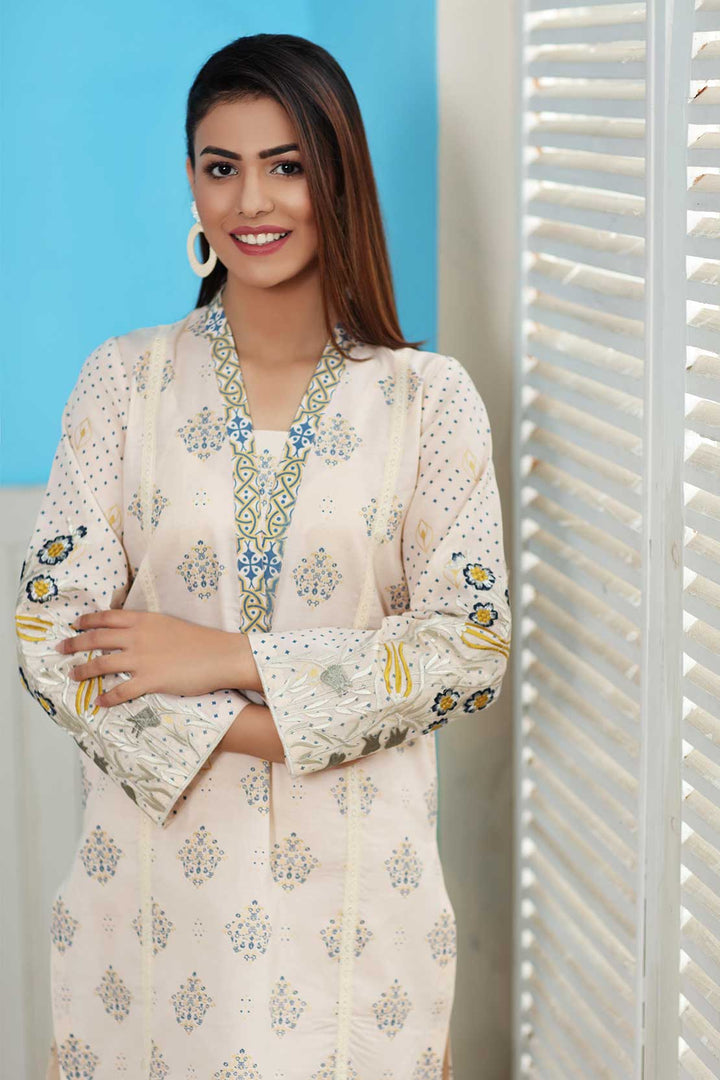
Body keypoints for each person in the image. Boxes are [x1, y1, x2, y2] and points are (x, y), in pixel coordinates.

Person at [16, 32, 511, 1080]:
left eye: (287, 165)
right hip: (151, 914)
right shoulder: (124, 383)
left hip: (358, 911)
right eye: (221, 166)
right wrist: (292, 726)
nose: (253, 201)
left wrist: (222, 658)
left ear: (339, 178)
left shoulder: (428, 403)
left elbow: (469, 648)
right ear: (192, 185)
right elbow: (49, 635)